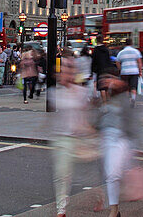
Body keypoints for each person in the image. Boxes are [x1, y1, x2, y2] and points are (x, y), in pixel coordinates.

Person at [52, 52, 91, 217]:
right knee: (61, 174)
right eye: (63, 69)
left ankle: (96, 195)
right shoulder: (56, 92)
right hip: (62, 139)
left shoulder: (81, 93)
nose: (65, 72)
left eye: (69, 68)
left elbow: (86, 117)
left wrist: (89, 134)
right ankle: (61, 210)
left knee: (84, 176)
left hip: (78, 138)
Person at [97, 75, 136, 217]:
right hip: (106, 140)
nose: (107, 82)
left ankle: (114, 210)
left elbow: (131, 123)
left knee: (115, 174)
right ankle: (114, 209)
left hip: (120, 140)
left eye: (111, 79)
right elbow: (96, 122)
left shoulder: (125, 100)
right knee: (111, 175)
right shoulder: (104, 101)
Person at [115, 37, 143, 104]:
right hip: (134, 71)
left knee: (126, 87)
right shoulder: (136, 51)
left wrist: (120, 69)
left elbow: (117, 62)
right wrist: (140, 71)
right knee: (133, 87)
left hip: (124, 72)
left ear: (125, 44)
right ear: (131, 43)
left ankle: (127, 100)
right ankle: (133, 99)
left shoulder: (121, 52)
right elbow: (139, 62)